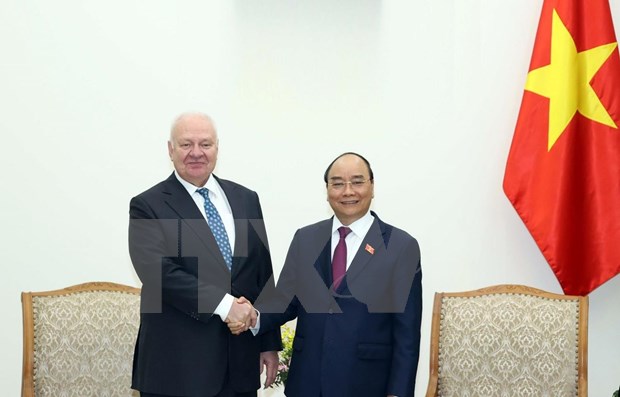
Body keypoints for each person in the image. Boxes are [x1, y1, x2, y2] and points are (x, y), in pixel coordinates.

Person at [231, 152, 423, 397]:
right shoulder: (306, 238)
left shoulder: (400, 246)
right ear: (327, 190)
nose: (348, 191)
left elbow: (407, 334)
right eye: (338, 183)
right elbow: (285, 300)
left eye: (357, 181)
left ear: (372, 187)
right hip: (308, 381)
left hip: (367, 383)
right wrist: (253, 315)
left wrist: (398, 393)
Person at [128, 112, 281, 397]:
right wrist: (226, 306)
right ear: (170, 150)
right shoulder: (147, 205)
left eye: (205, 144)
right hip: (177, 370)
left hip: (239, 368)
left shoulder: (246, 199)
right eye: (186, 144)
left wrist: (267, 340)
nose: (196, 153)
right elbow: (158, 273)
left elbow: (261, 272)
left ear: (217, 148)